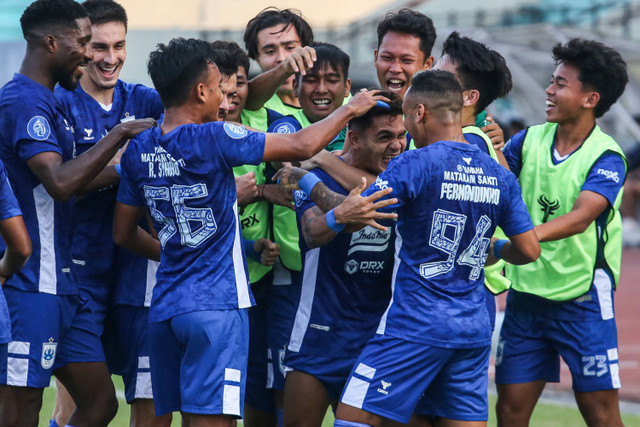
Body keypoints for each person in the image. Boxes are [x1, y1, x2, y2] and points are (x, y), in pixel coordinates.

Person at [112, 37, 389, 426]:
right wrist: (351, 108)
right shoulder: (213, 136)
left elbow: (123, 234)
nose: (227, 101)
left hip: (164, 309)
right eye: (221, 89)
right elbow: (301, 143)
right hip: (217, 307)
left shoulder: (140, 148)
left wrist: (177, 254)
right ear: (201, 90)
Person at [277, 70, 540, 426]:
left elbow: (360, 211)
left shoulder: (415, 164)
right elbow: (528, 250)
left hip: (416, 324)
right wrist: (484, 249)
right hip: (475, 329)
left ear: (418, 114)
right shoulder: (498, 173)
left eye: (404, 127)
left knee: (352, 418)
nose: (402, 141)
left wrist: (304, 177)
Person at [0, 1, 155, 426]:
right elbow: (61, 183)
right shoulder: (21, 102)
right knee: (21, 407)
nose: (90, 54)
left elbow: (74, 179)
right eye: (84, 43)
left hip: (67, 284)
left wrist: (121, 166)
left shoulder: (49, 101)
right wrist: (119, 135)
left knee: (101, 403)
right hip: (30, 283)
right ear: (52, 43)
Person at [496, 38, 628, 427]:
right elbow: (501, 179)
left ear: (590, 99)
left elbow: (581, 217)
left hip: (582, 298)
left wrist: (519, 241)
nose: (549, 91)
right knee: (509, 411)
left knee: (601, 415)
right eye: (551, 82)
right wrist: (488, 145)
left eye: (559, 84)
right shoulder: (530, 138)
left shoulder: (606, 156)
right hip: (526, 298)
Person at [282, 93, 404, 427]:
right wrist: (338, 214)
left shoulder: (406, 177)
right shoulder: (312, 177)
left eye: (401, 136)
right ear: (354, 137)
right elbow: (311, 232)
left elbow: (392, 197)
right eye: (384, 137)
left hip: (379, 342)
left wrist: (320, 160)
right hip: (318, 337)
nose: (396, 146)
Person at [243, 7, 314, 113]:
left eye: (290, 48)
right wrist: (284, 69)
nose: (282, 58)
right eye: (270, 51)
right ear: (257, 59)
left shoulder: (337, 97)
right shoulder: (249, 104)